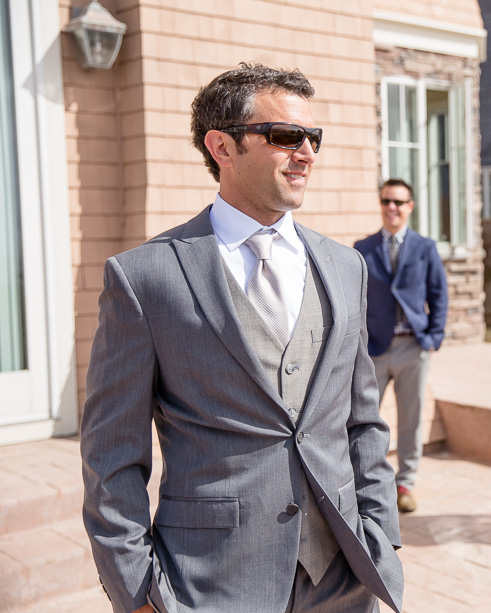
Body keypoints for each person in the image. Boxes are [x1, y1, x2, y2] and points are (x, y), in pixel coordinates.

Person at [80, 63, 403, 613]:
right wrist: (138, 594)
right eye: (285, 137)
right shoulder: (146, 278)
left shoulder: (345, 266)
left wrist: (381, 534)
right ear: (222, 147)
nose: (306, 153)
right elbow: (111, 458)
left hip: (344, 576)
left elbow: (363, 420)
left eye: (313, 138)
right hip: (212, 581)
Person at [354, 179, 448, 513]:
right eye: (386, 201)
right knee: (365, 417)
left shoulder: (425, 247)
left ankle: (405, 482)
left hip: (413, 347)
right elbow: (355, 300)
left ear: (410, 206)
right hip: (375, 349)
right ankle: (367, 480)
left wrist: (434, 336)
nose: (391, 207)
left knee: (411, 418)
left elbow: (438, 294)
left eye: (398, 202)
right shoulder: (362, 248)